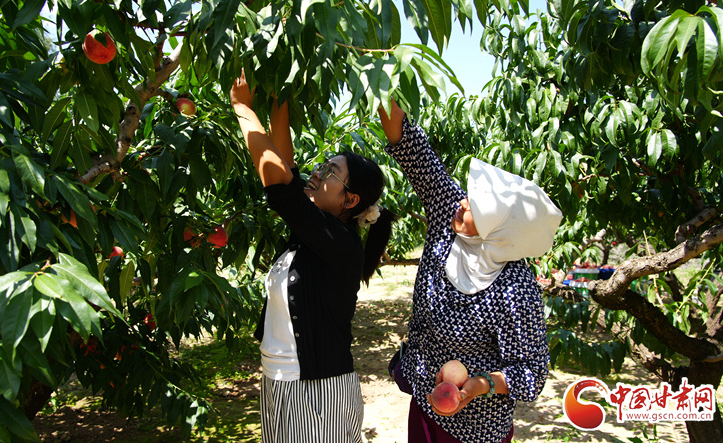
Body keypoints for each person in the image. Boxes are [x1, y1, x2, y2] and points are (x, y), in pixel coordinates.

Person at [378, 99, 562, 443]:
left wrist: (480, 385)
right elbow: (409, 144)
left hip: (476, 430)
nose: (463, 202)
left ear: (503, 228)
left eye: (477, 205)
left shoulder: (514, 288)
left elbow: (531, 374)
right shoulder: (450, 217)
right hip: (425, 403)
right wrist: (378, 66)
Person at [229, 69, 395, 443]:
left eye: (331, 172)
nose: (318, 173)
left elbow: (278, 182)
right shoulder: (313, 233)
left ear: (349, 200)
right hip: (280, 383)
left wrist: (241, 106)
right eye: (323, 166)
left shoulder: (339, 242)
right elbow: (286, 168)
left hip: (317, 395)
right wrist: (279, 91)